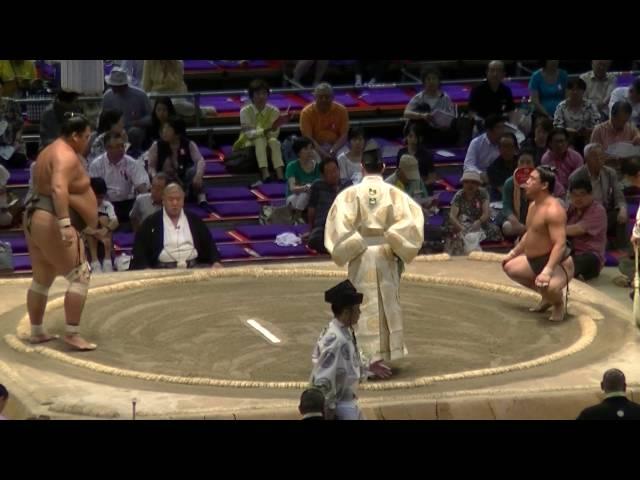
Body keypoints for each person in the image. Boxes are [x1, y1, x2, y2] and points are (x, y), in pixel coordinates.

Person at [324, 147, 424, 363]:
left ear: (362, 167)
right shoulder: (396, 195)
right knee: (386, 302)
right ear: (384, 167)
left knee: (361, 303)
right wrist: (392, 238)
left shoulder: (348, 195)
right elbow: (412, 224)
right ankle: (384, 355)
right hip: (387, 253)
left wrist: (357, 242)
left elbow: (338, 227)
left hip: (360, 255)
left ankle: (364, 357)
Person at [23, 113, 99, 350]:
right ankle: (72, 333)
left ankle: (36, 331)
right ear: (74, 136)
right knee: (80, 275)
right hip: (51, 219)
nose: (88, 141)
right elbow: (57, 187)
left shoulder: (49, 150)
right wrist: (65, 224)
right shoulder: (65, 155)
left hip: (34, 215)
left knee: (42, 277)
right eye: (86, 136)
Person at [309, 280, 392, 420]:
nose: (360, 312)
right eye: (357, 309)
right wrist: (327, 412)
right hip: (339, 406)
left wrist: (367, 366)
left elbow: (347, 363)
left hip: (346, 402)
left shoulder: (342, 331)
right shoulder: (336, 339)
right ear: (347, 312)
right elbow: (323, 378)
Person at [502, 166, 574, 322]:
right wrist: (514, 253)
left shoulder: (554, 210)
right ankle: (547, 297)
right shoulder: (533, 205)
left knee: (548, 286)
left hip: (557, 264)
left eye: (532, 179)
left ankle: (557, 303)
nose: (527, 182)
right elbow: (531, 233)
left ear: (544, 185)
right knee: (509, 266)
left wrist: (547, 271)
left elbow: (560, 244)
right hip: (534, 260)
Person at [129, 182, 222, 270]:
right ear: (163, 200)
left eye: (178, 199)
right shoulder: (151, 222)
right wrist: (145, 268)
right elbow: (139, 250)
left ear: (183, 200)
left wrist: (216, 262)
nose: (175, 203)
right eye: (171, 199)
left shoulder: (194, 220)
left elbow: (210, 244)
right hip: (162, 271)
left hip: (193, 268)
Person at [568, 143, 627, 250]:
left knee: (621, 214)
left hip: (605, 213)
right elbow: (570, 201)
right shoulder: (576, 176)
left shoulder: (610, 173)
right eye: (595, 156)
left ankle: (622, 248)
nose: (600, 159)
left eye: (601, 156)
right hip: (586, 214)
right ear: (586, 159)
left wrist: (622, 208)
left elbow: (619, 195)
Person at [233, 79, 289, 182]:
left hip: (268, 140)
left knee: (274, 141)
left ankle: (280, 174)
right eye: (258, 93)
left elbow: (274, 134)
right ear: (251, 96)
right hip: (247, 142)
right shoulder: (245, 111)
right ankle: (264, 172)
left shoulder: (274, 111)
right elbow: (249, 134)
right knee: (260, 139)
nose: (261, 97)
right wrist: (266, 130)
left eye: (264, 93)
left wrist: (273, 128)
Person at [88, 131, 150, 224]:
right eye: (117, 146)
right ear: (107, 148)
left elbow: (142, 188)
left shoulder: (132, 163)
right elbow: (93, 191)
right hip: (105, 204)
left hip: (128, 203)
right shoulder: (96, 165)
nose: (121, 149)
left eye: (122, 146)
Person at [147, 116, 207, 206]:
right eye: (164, 128)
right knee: (160, 176)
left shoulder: (188, 144)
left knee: (193, 171)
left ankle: (201, 197)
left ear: (177, 133)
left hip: (183, 178)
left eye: (168, 129)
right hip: (165, 180)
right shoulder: (156, 145)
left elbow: (200, 160)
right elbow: (151, 166)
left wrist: (198, 176)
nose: (164, 132)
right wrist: (155, 177)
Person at [444, 170, 503, 255]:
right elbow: (452, 216)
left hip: (480, 223)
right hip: (462, 224)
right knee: (453, 233)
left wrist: (479, 222)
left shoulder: (483, 193)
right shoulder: (459, 195)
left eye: (473, 182)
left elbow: (486, 213)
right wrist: (461, 228)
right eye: (467, 182)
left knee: (495, 230)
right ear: (463, 183)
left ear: (478, 184)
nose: (470, 185)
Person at [403, 66, 461, 147]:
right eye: (428, 79)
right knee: (423, 108)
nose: (431, 82)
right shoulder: (419, 97)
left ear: (438, 81)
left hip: (440, 129)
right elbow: (406, 113)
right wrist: (422, 116)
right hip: (424, 129)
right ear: (424, 82)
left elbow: (451, 116)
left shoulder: (445, 97)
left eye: (434, 79)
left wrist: (445, 125)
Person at [566, 177, 607, 281]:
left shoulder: (598, 210)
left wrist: (551, 229)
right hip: (570, 251)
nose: (578, 198)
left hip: (591, 256)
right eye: (574, 195)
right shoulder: (571, 208)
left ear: (591, 195)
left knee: (582, 260)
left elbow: (578, 229)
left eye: (582, 194)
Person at [102, 67, 152, 150]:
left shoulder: (140, 95)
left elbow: (150, 117)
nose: (114, 88)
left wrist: (136, 122)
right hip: (113, 129)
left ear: (124, 85)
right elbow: (103, 116)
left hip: (134, 128)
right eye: (112, 85)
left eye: (116, 86)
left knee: (134, 132)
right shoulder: (107, 96)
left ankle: (135, 153)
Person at [307, 158, 350, 254]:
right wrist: (310, 230)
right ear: (323, 175)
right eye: (329, 172)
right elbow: (311, 209)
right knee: (314, 240)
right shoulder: (317, 186)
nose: (334, 174)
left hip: (343, 225)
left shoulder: (347, 184)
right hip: (323, 226)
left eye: (335, 170)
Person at [299, 83, 349, 160]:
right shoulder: (306, 112)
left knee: (344, 156)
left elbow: (344, 136)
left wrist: (333, 151)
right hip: (315, 147)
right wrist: (323, 153)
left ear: (332, 97)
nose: (324, 100)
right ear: (315, 97)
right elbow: (308, 138)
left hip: (336, 146)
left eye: (327, 97)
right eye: (321, 97)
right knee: (313, 157)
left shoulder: (342, 110)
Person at [553, 77, 601, 153]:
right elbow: (557, 127)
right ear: (567, 91)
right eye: (572, 89)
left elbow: (597, 125)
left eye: (578, 89)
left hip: (587, 139)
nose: (575, 92)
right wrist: (567, 131)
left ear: (583, 91)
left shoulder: (590, 105)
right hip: (568, 139)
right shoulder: (561, 106)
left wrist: (588, 130)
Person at [85, 177, 119, 273]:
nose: (99, 200)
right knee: (93, 221)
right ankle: (95, 262)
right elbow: (79, 225)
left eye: (101, 197)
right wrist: (94, 232)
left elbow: (115, 221)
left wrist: (105, 229)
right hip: (89, 236)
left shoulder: (107, 205)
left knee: (104, 219)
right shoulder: (83, 205)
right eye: (97, 197)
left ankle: (107, 260)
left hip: (104, 236)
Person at [499, 149, 535, 238]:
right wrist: (517, 224)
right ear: (517, 164)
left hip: (536, 220)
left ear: (534, 165)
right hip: (517, 221)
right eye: (522, 162)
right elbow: (506, 207)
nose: (525, 166)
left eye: (528, 162)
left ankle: (529, 233)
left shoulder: (539, 181)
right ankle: (530, 233)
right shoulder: (509, 182)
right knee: (507, 227)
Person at [540, 127, 584, 198]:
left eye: (562, 141)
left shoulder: (576, 157)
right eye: (557, 142)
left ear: (567, 142)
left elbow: (579, 178)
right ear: (550, 143)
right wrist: (563, 195)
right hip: (555, 195)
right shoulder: (546, 159)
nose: (560, 145)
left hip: (575, 193)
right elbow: (552, 181)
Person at [285, 136, 321, 222]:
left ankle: (296, 218)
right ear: (298, 152)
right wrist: (305, 187)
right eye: (305, 149)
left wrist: (319, 160)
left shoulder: (317, 166)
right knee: (305, 194)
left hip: (313, 198)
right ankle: (298, 216)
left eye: (311, 148)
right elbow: (292, 188)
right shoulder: (292, 166)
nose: (309, 151)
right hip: (294, 198)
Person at [468, 60, 516, 125]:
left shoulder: (506, 90)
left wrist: (513, 125)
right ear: (487, 72)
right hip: (482, 124)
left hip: (500, 125)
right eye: (492, 70)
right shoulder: (477, 90)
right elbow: (471, 112)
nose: (495, 74)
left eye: (499, 71)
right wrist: (480, 122)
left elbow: (511, 110)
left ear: (504, 74)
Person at [463, 114, 507, 181]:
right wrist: (480, 174)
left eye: (503, 127)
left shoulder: (506, 143)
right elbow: (468, 165)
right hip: (479, 179)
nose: (502, 131)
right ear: (489, 130)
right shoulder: (476, 143)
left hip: (500, 178)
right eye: (499, 128)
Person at [396, 122, 436, 187]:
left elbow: (432, 178)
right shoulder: (401, 152)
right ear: (406, 137)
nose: (412, 139)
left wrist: (421, 186)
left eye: (415, 136)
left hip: (421, 189)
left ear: (420, 138)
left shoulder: (427, 155)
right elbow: (398, 173)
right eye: (410, 136)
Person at [487, 132, 519, 200]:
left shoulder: (521, 163)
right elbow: (505, 192)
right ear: (499, 149)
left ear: (515, 148)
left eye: (509, 146)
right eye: (503, 146)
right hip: (500, 202)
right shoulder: (493, 169)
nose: (506, 150)